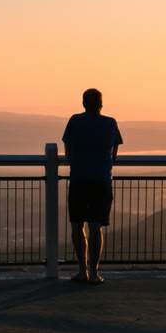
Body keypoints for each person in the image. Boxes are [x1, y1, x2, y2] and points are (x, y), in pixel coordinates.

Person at [61, 88, 123, 284]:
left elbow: (67, 150)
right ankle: (95, 273)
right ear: (101, 104)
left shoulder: (75, 121)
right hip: (102, 181)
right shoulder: (110, 123)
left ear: (83, 103)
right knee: (96, 227)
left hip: (79, 179)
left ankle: (82, 271)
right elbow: (114, 152)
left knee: (77, 225)